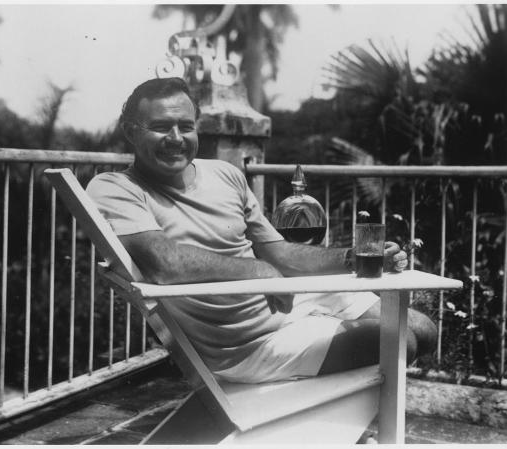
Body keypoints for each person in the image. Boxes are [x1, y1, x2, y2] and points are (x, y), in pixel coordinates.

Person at [86, 77, 437, 383]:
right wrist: (260, 271)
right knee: (399, 341)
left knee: (424, 328)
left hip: (282, 301)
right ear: (131, 132)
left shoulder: (225, 174)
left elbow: (281, 253)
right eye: (161, 127)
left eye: (186, 126)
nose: (176, 138)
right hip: (243, 344)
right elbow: (166, 264)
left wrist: (354, 258)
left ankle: (342, 406)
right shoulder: (114, 188)